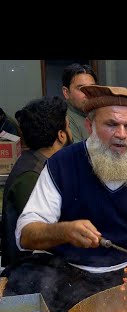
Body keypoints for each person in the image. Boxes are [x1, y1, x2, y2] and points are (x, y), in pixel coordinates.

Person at [0, 85, 127, 312]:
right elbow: (25, 234)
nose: (122, 134)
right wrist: (64, 231)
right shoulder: (62, 165)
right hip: (68, 274)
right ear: (90, 126)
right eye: (111, 124)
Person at [1, 97, 72, 268]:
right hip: (27, 272)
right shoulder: (31, 175)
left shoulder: (40, 163)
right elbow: (39, 235)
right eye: (68, 127)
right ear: (61, 136)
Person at [61, 63, 97, 144]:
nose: (88, 93)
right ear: (66, 92)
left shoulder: (99, 113)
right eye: (81, 88)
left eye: (92, 88)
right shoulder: (64, 120)